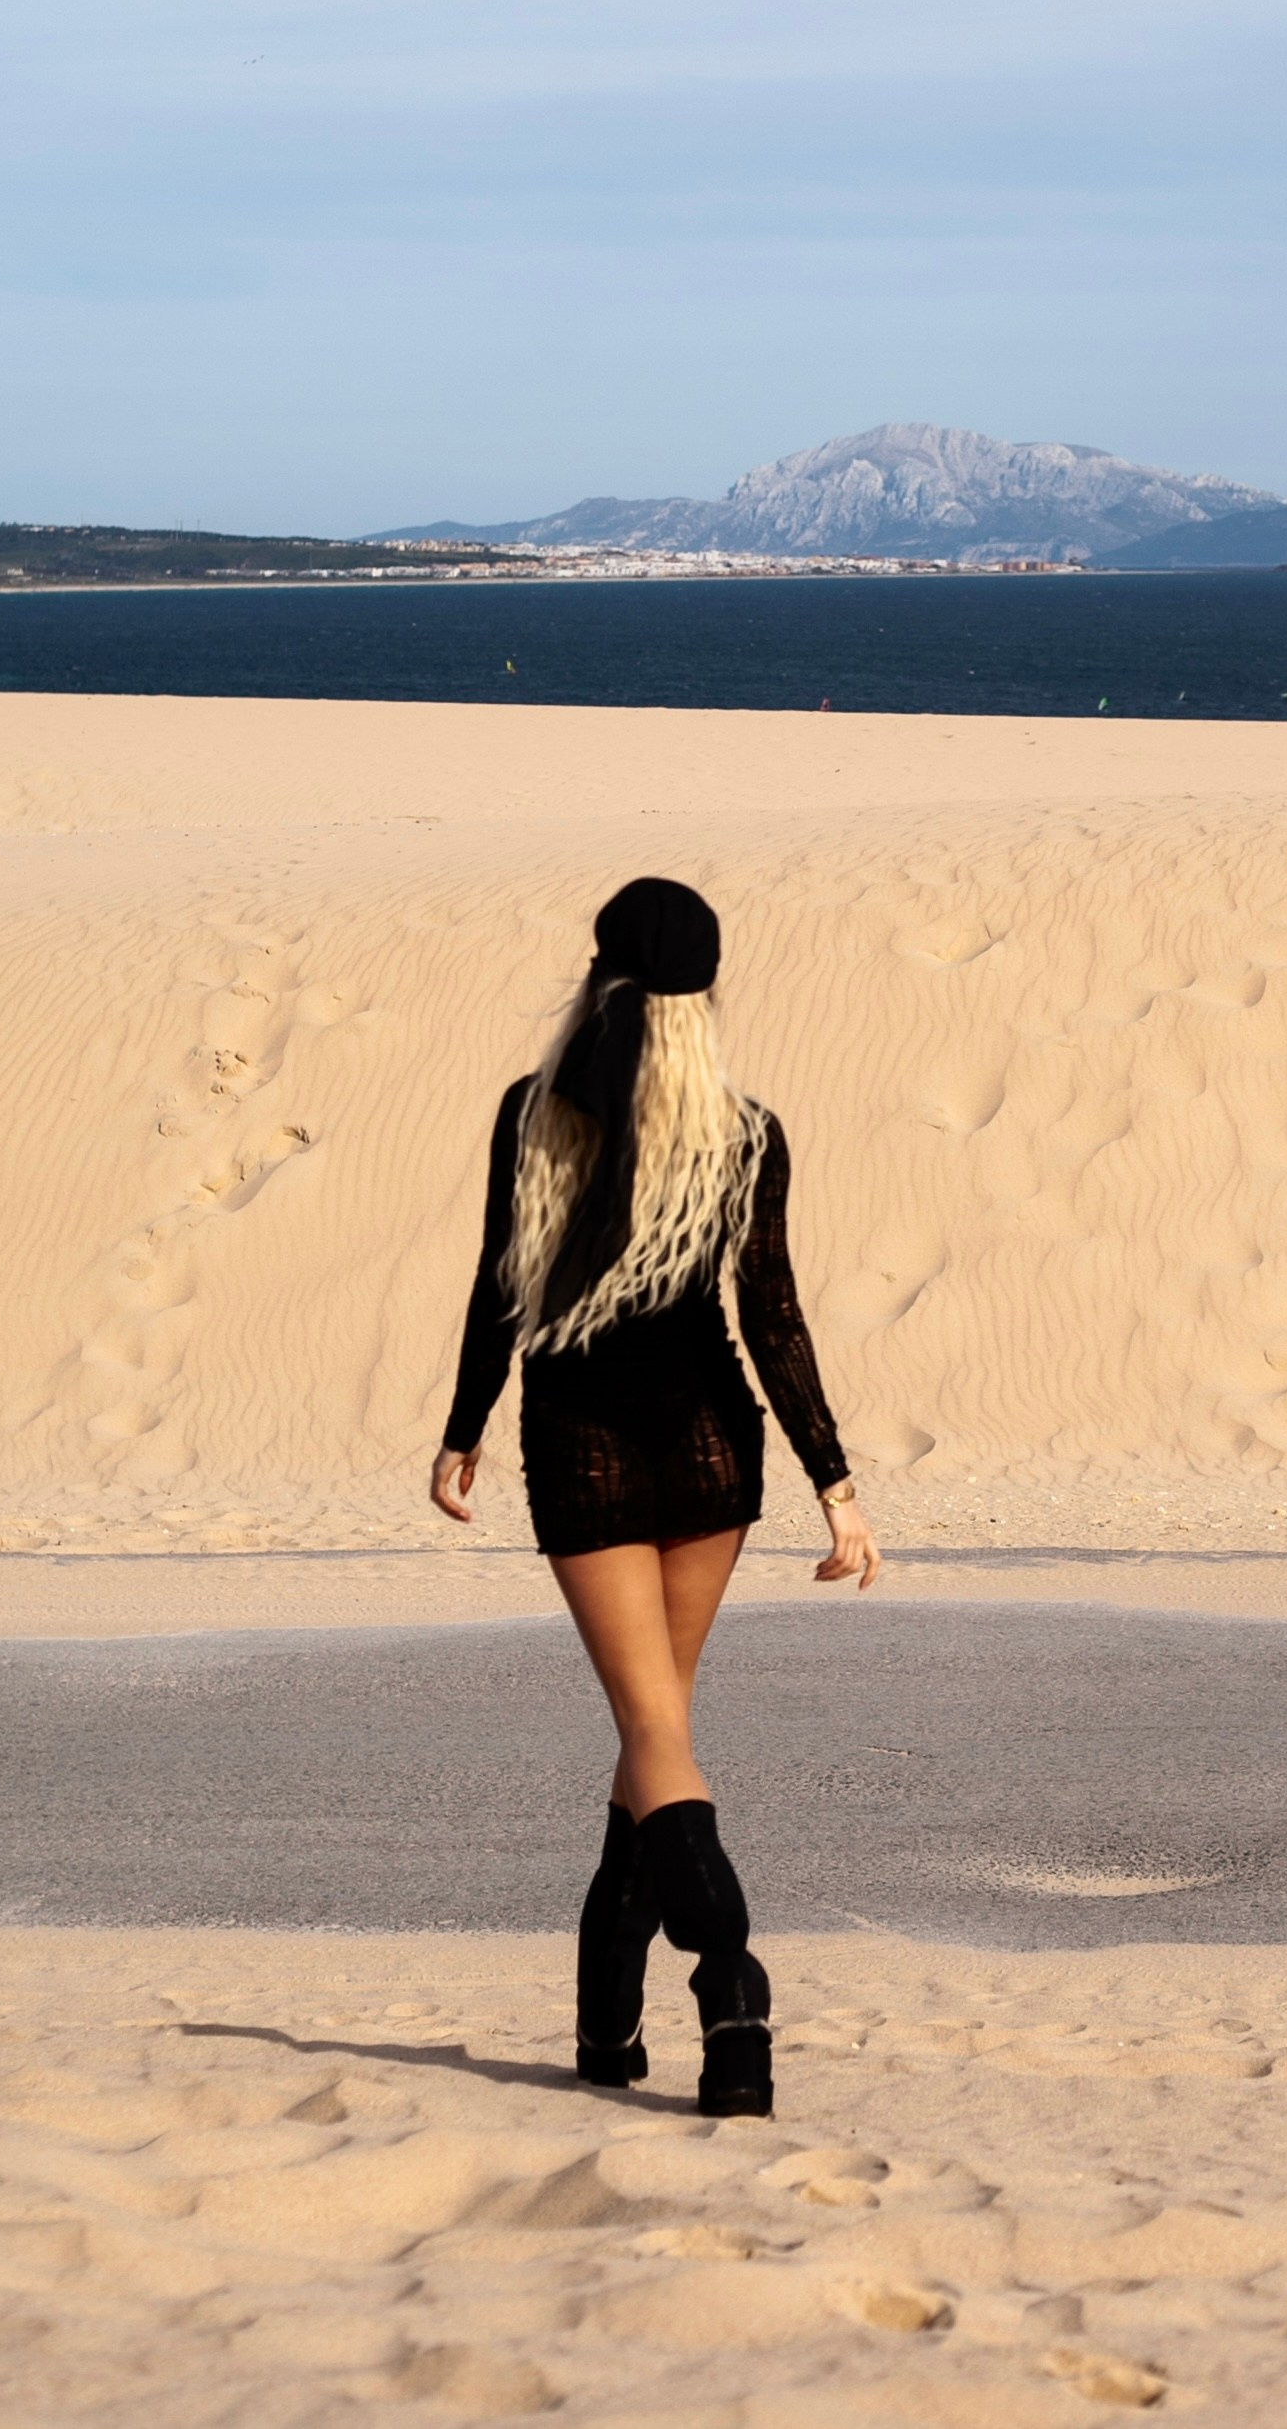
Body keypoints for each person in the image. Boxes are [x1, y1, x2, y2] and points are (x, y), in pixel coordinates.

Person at [432, 874, 878, 2119]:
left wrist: (460, 1430)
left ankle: (732, 1990)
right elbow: (771, 1318)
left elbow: (496, 1285)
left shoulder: (535, 1115)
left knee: (653, 1737)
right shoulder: (743, 1130)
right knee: (652, 1741)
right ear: (705, 998)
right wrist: (832, 1481)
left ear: (597, 979)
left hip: (586, 1457)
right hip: (708, 1459)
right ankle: (603, 2023)